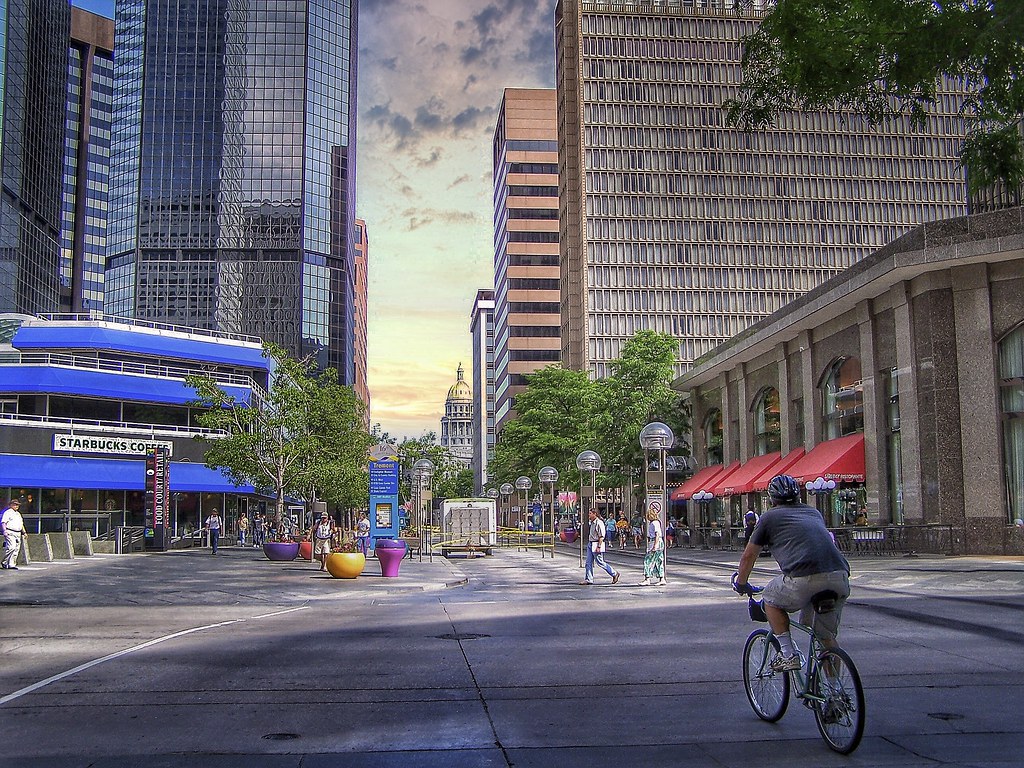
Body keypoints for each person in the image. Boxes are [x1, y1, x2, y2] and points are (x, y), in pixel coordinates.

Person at [733, 474, 851, 671]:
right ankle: (834, 693)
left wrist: (741, 582)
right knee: (826, 638)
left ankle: (788, 654)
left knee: (769, 597)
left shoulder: (769, 517)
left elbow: (749, 556)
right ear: (798, 496)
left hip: (804, 578)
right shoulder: (814, 513)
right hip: (839, 576)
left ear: (772, 499)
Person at [580, 508, 619, 585]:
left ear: (595, 514)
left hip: (596, 543)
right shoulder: (592, 523)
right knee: (588, 562)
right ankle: (589, 579)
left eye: (590, 513)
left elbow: (601, 536)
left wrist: (599, 546)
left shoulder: (599, 523)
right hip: (590, 543)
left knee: (600, 562)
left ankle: (614, 573)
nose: (589, 515)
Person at [640, 508, 666, 586]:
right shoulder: (656, 522)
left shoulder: (654, 523)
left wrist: (655, 546)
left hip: (655, 541)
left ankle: (647, 578)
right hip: (658, 542)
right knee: (659, 561)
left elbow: (657, 534)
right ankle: (662, 578)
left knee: (648, 561)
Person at [1, 499, 24, 571]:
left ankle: (12, 564)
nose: (16, 506)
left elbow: (21, 524)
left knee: (16, 549)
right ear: (11, 505)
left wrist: (24, 532)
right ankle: (4, 561)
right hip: (10, 532)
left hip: (18, 532)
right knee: (12, 547)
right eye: (15, 504)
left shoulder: (18, 514)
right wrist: (4, 531)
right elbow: (3, 522)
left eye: (17, 505)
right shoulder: (8, 513)